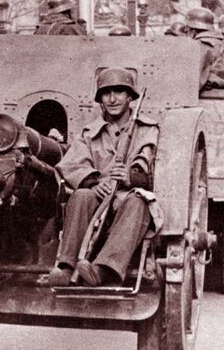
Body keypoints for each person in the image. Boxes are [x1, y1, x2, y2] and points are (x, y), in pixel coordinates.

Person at [49, 67, 159, 287]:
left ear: (130, 97)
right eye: (106, 93)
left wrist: (131, 177)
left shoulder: (147, 129)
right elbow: (72, 163)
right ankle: (66, 266)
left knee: (138, 202)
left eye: (119, 92)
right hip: (99, 195)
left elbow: (149, 163)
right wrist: (93, 182)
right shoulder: (89, 132)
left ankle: (104, 270)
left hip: (129, 197)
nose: (112, 99)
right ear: (100, 100)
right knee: (81, 196)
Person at [185, 7, 224, 90]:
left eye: (187, 30)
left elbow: (192, 84)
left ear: (192, 31)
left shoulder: (198, 45)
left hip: (213, 99)